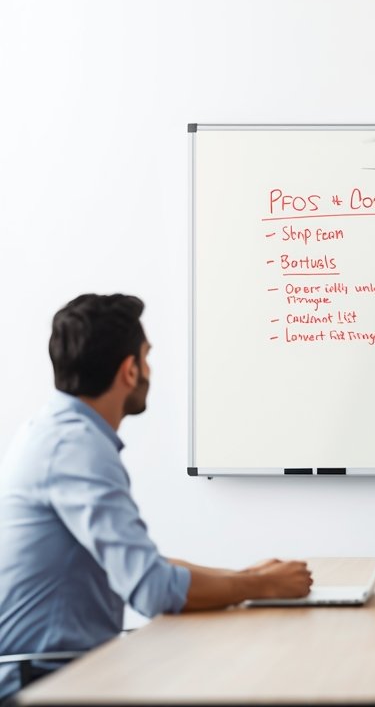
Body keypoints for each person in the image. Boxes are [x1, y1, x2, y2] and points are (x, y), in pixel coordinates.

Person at [0, 294, 313, 700]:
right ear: (130, 370)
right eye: (146, 358)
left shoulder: (55, 433)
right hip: (46, 682)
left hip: (65, 668)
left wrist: (244, 577)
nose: (149, 370)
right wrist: (260, 586)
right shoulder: (75, 449)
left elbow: (142, 566)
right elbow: (151, 589)